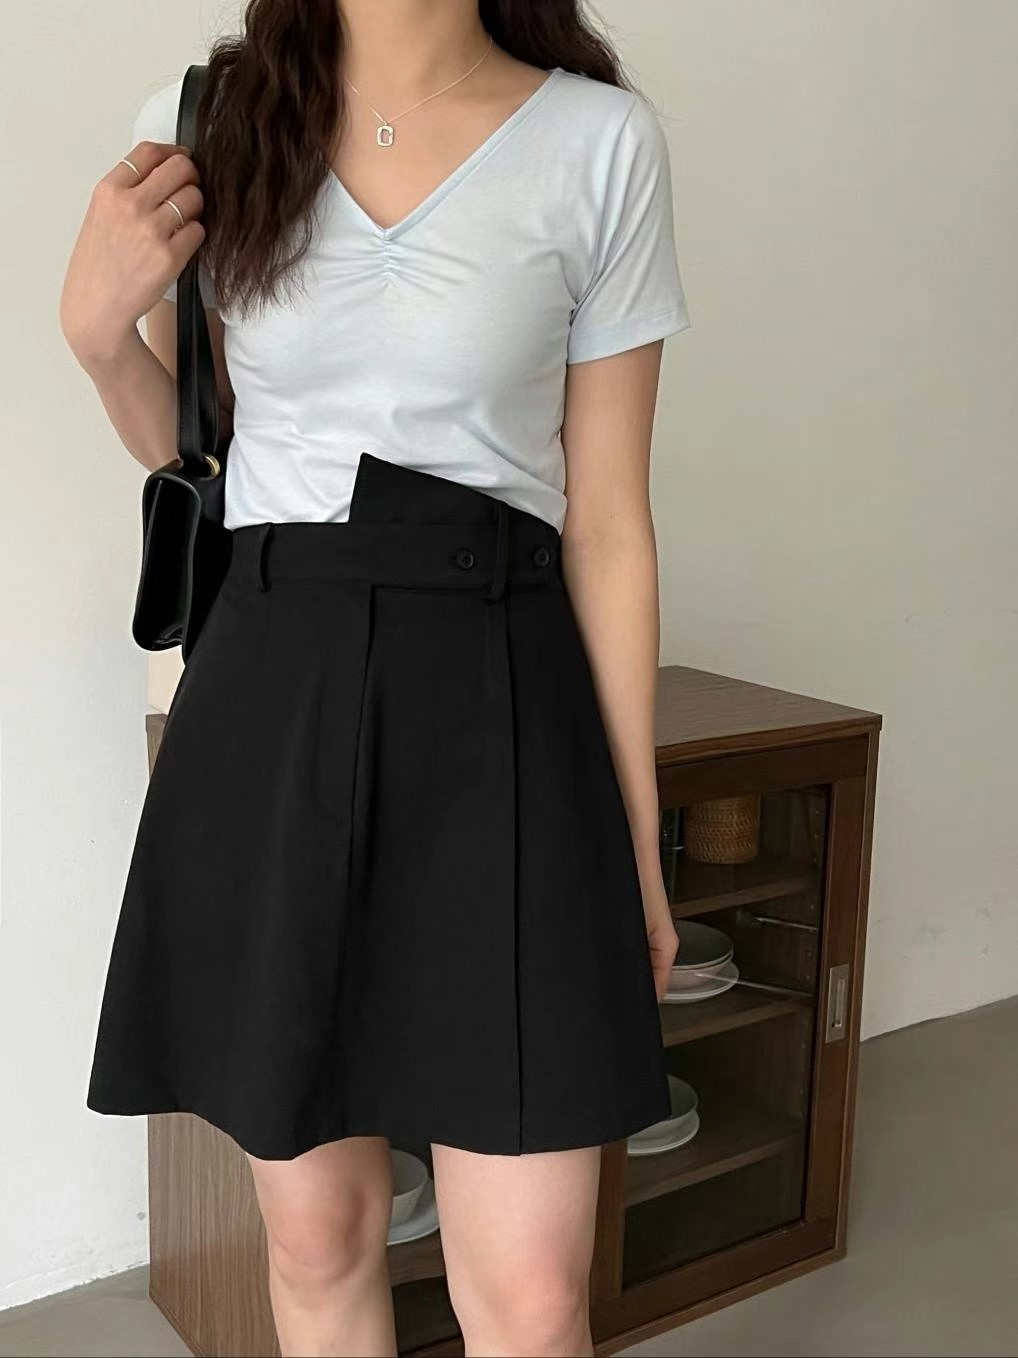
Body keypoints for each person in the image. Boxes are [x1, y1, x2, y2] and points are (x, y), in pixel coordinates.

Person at [60, 2, 691, 1354]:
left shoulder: (598, 141)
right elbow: (197, 456)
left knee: (532, 1295)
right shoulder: (206, 123)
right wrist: (100, 337)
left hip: (501, 695)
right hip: (272, 692)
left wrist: (634, 835)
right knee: (317, 1236)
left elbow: (608, 521)